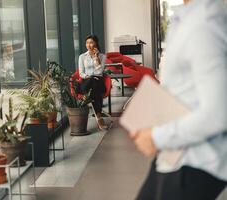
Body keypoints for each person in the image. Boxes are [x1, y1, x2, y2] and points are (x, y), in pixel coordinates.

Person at [131, 0, 227, 199]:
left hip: (194, 162)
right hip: (173, 156)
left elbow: (219, 113)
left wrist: (156, 137)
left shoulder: (204, 25)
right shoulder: (186, 19)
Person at [78, 35, 108, 130]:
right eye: (87, 43)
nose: (89, 45)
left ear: (95, 43)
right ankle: (99, 117)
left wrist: (96, 58)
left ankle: (97, 115)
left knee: (94, 85)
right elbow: (81, 73)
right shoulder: (82, 57)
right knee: (92, 82)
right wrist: (88, 77)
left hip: (98, 82)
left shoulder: (102, 56)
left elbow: (99, 72)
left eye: (91, 42)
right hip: (86, 82)